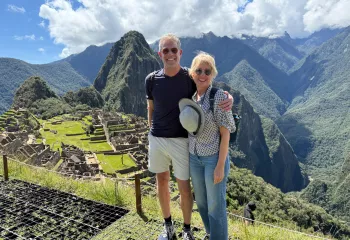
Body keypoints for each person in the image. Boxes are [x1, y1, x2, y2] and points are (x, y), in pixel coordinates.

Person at [145, 34, 233, 240]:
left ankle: (189, 230)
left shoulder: (192, 80)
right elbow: (150, 107)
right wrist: (151, 129)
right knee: (179, 189)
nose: (169, 54)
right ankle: (173, 228)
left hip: (193, 148)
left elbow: (216, 98)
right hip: (174, 146)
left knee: (200, 196)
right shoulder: (155, 80)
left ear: (180, 52)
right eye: (165, 50)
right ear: (160, 53)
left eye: (173, 50)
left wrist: (229, 96)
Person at [179, 52, 236, 240]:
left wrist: (220, 165)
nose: (203, 74)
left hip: (213, 158)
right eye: (199, 70)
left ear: (213, 74)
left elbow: (225, 132)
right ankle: (211, 234)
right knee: (202, 202)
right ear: (192, 74)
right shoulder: (192, 97)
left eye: (207, 71)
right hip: (194, 158)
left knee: (215, 204)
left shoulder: (218, 96)